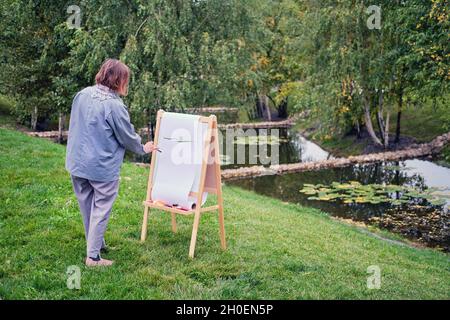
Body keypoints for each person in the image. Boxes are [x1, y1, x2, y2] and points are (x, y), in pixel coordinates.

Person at [66, 58, 157, 267]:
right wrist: (144, 148)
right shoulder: (114, 105)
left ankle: (95, 244)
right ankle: (93, 258)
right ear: (118, 80)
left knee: (87, 205)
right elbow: (126, 136)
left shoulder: (82, 94)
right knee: (100, 208)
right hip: (101, 167)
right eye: (125, 79)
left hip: (77, 163)